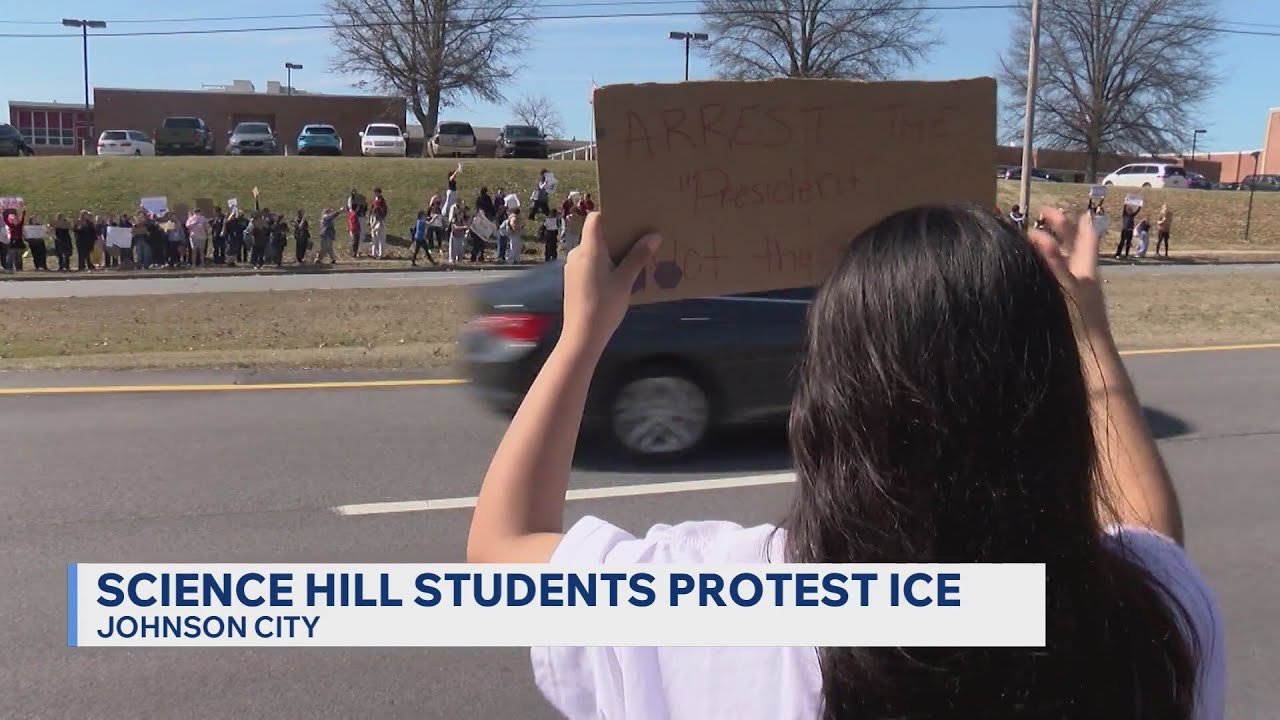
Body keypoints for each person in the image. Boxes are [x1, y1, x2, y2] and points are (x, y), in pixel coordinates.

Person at [466, 205, 1225, 720]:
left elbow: (500, 553)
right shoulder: (1151, 626)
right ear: (1051, 405)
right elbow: (1149, 534)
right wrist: (1088, 330)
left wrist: (583, 335)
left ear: (829, 401)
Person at [369, 187, 388, 259]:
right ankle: (374, 253)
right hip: (374, 219)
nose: (375, 194)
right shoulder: (375, 199)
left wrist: (380, 217)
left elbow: (384, 211)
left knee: (381, 237)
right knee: (374, 238)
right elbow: (372, 209)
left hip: (379, 220)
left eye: (376, 192)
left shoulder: (382, 201)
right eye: (375, 192)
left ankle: (381, 254)